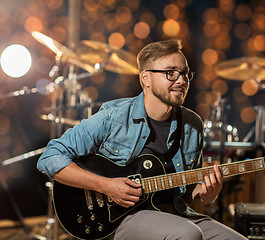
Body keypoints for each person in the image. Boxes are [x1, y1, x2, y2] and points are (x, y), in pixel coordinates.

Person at [37, 39, 247, 240]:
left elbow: (187, 190)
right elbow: (50, 157)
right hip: (121, 218)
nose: (181, 81)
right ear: (145, 78)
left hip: (176, 214)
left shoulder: (193, 124)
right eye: (170, 73)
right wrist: (106, 186)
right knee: (187, 234)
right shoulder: (114, 116)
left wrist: (206, 194)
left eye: (184, 74)